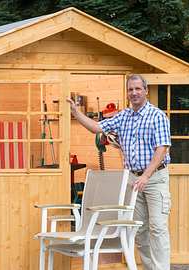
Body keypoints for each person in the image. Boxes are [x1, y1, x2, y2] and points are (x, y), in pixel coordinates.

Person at [67, 74, 172, 270]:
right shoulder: (123, 116)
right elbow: (97, 128)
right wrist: (76, 113)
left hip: (155, 177)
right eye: (130, 90)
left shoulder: (157, 116)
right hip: (133, 179)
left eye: (137, 89)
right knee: (139, 230)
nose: (134, 93)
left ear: (146, 91)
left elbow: (162, 148)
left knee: (157, 228)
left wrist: (146, 176)